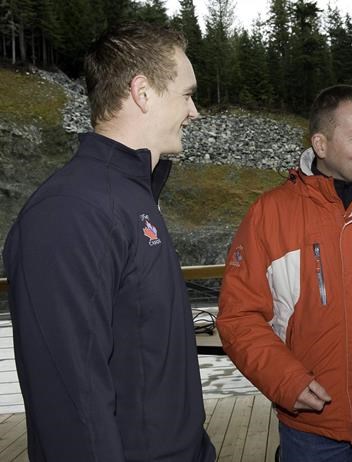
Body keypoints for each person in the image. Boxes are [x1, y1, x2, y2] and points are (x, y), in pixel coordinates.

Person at [2, 22, 216, 461]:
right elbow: (71, 404)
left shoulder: (131, 198)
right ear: (142, 92)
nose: (194, 113)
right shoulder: (69, 212)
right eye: (188, 94)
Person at [216, 84, 352, 461]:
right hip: (310, 422)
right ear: (321, 145)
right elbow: (238, 316)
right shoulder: (269, 215)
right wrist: (286, 380)